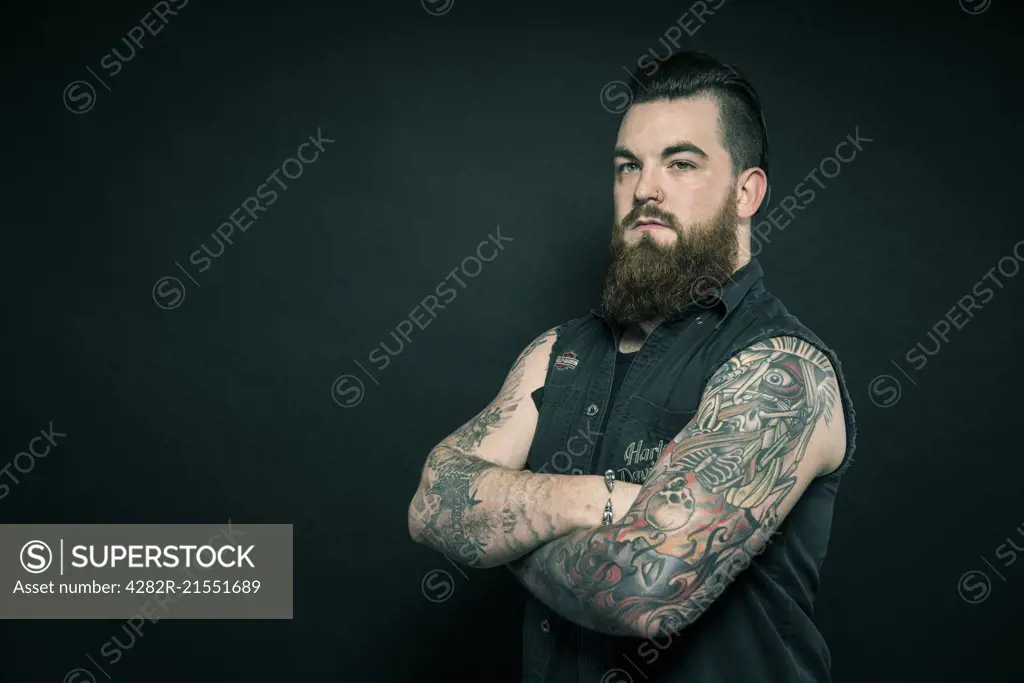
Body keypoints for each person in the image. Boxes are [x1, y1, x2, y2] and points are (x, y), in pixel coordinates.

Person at [407, 50, 857, 683]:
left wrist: (500, 536)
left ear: (747, 191)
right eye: (628, 167)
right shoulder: (556, 353)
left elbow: (647, 591)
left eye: (681, 163)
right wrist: (604, 501)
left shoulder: (781, 369)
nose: (646, 188)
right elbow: (433, 502)